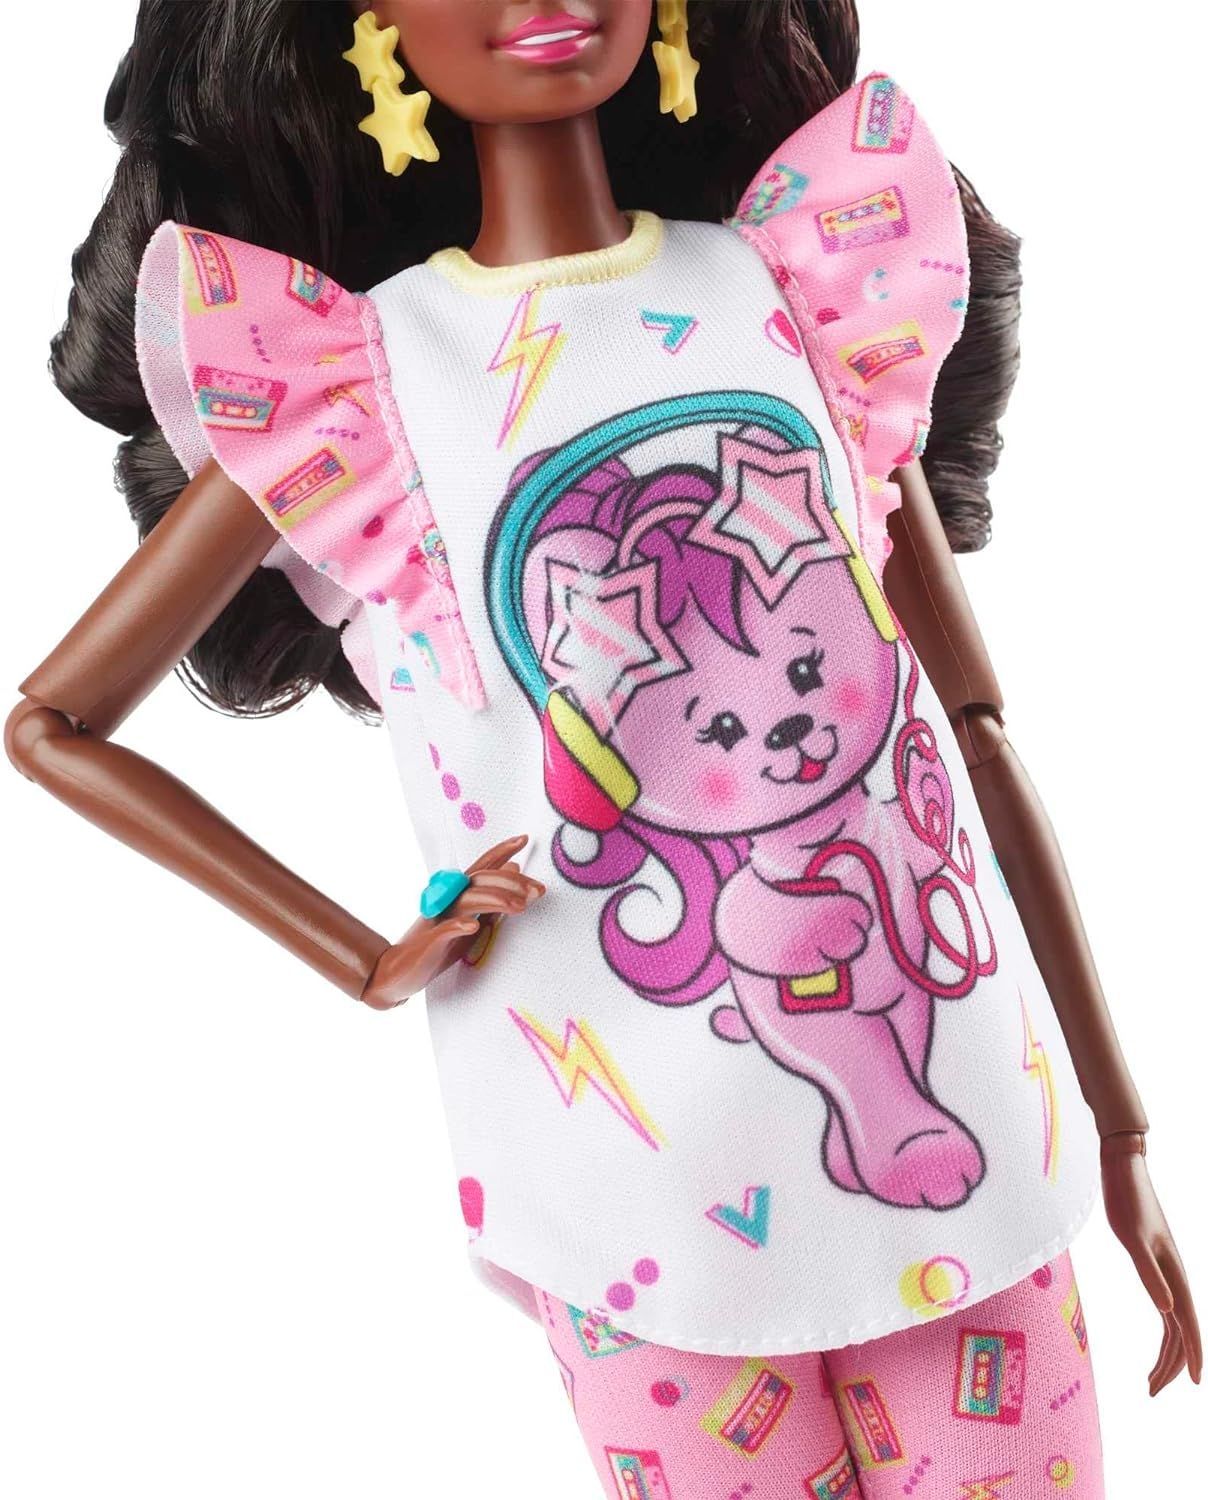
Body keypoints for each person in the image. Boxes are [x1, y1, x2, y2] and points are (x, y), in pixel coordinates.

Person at [8, 4, 1200, 1493]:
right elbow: (52, 724)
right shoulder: (364, 383)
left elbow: (978, 732)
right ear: (369, 26)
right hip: (633, 1207)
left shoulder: (800, 289)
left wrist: (1122, 1128)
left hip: (971, 1126)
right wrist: (363, 955)